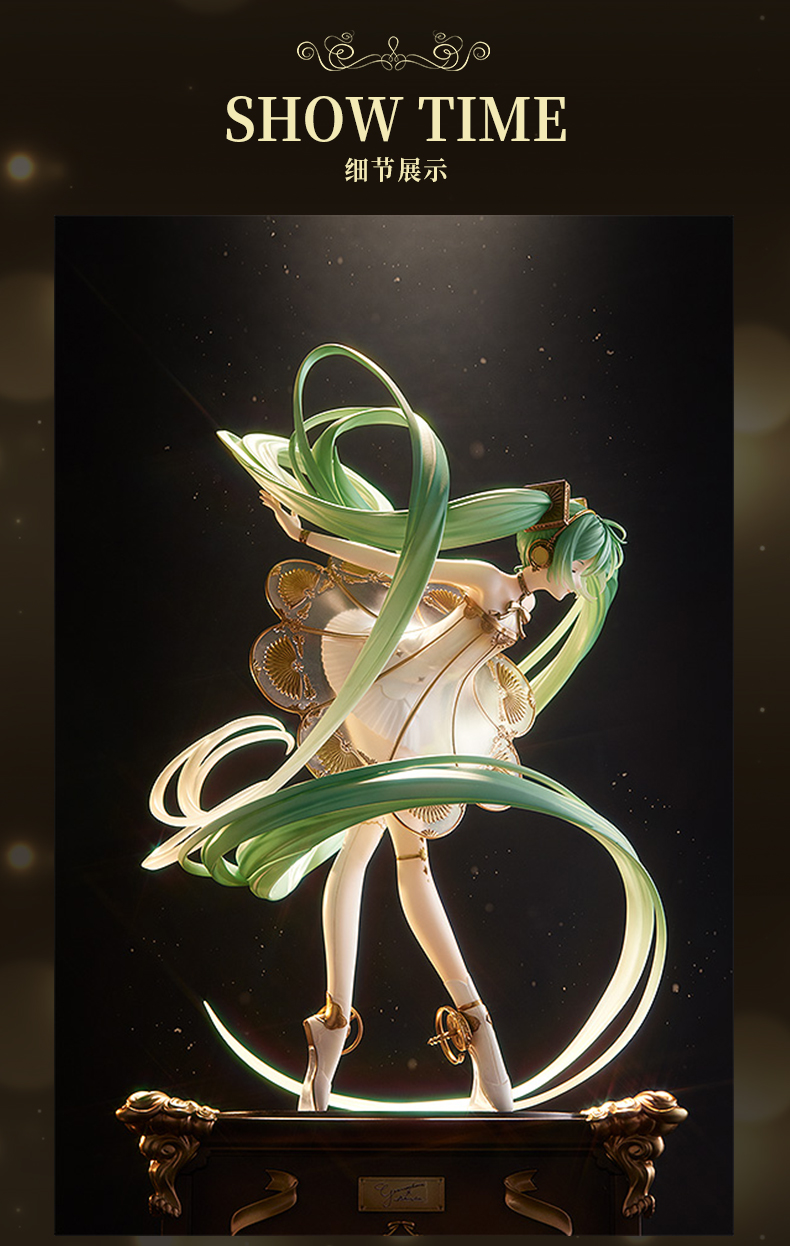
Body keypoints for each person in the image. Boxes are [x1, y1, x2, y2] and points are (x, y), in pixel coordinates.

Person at [144, 344, 663, 1115]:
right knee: (401, 864)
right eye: (583, 568)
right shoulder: (490, 580)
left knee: (368, 854)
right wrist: (309, 537)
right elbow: (396, 563)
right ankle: (471, 1047)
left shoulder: (522, 602)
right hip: (395, 701)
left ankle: (338, 1040)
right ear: (555, 553)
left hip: (436, 719)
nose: (582, 584)